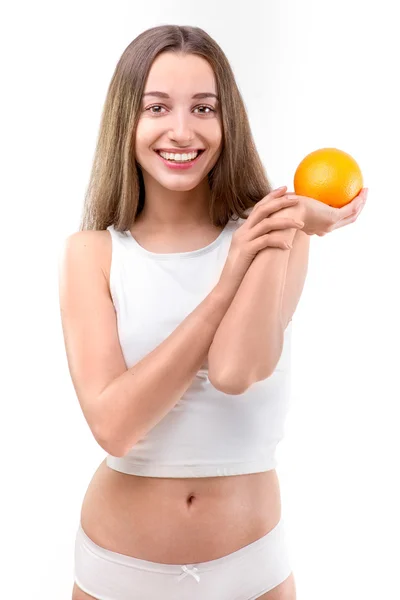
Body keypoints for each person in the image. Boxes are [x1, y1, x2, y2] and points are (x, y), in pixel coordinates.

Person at [59, 24, 310, 600]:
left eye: (204, 107)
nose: (182, 130)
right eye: (156, 107)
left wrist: (276, 238)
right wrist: (225, 285)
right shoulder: (91, 255)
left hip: (252, 566)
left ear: (229, 121)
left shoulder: (276, 236)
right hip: (117, 571)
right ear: (128, 120)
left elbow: (235, 370)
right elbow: (113, 427)